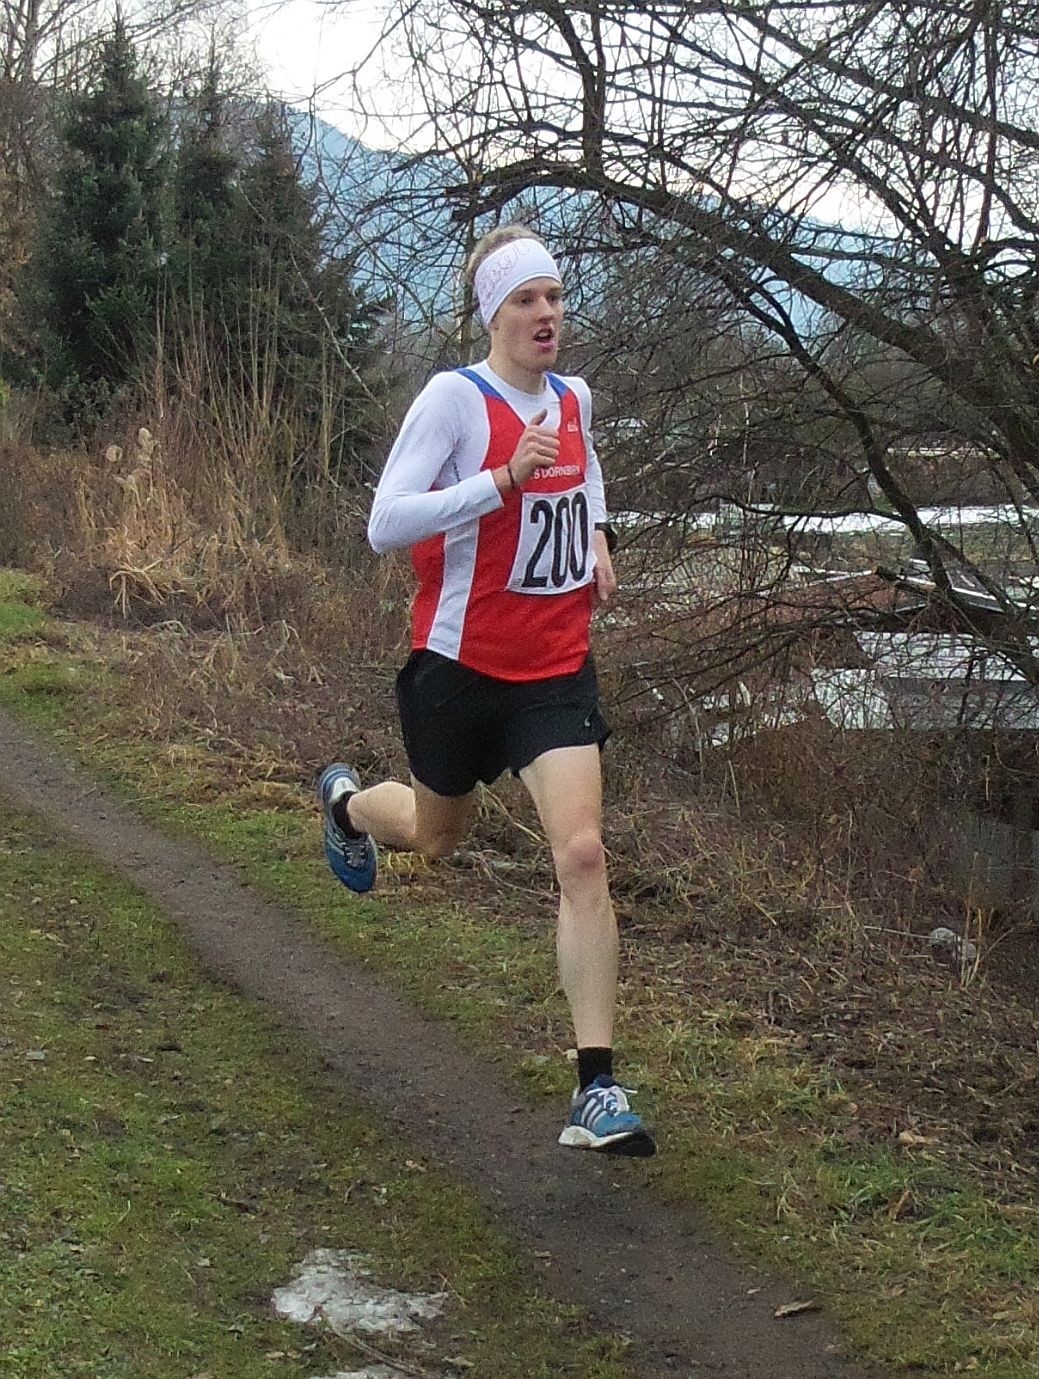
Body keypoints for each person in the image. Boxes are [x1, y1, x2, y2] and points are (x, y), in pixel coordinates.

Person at [318, 225, 654, 1157]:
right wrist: (496, 482)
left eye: (553, 295)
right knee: (435, 838)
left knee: (581, 854)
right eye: (525, 300)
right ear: (494, 315)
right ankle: (347, 809)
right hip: (458, 666)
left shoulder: (576, 399)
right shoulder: (454, 400)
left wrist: (597, 540)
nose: (546, 313)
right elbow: (385, 523)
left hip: (552, 667)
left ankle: (596, 1088)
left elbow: (584, 481)